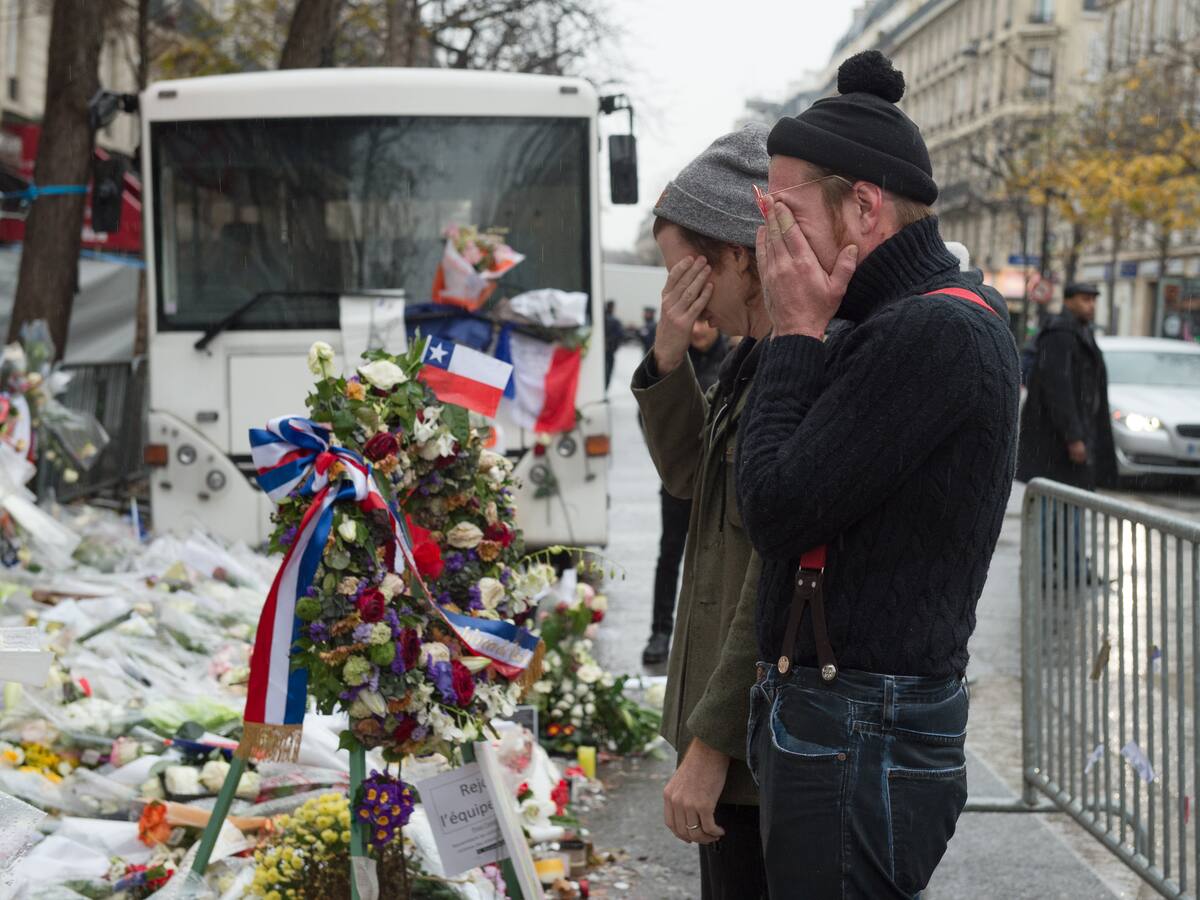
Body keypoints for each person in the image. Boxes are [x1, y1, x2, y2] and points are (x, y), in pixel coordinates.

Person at [735, 51, 1020, 898]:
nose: (770, 238)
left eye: (784, 213)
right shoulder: (890, 320)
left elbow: (774, 508)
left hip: (861, 724)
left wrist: (793, 334)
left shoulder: (931, 332)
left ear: (863, 207)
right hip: (846, 715)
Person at [631, 123, 772, 900]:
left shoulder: (793, 359)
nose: (680, 296)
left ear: (736, 257)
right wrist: (668, 356)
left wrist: (712, 741)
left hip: (748, 740)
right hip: (727, 729)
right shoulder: (753, 354)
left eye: (685, 274)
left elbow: (770, 571)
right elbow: (690, 474)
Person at [642, 319, 728, 666]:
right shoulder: (676, 359)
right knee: (669, 555)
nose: (698, 331)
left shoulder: (734, 359)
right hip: (678, 482)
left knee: (719, 559)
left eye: (707, 322)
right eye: (693, 323)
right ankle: (660, 631)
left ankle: (712, 640)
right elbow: (651, 415)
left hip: (720, 482)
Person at [1016, 282, 1117, 490]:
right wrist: (1074, 437)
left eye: (1093, 300)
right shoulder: (1059, 334)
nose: (1091, 305)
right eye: (1085, 300)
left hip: (1072, 438)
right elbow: (1058, 389)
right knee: (1058, 498)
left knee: (1069, 499)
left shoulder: (1082, 332)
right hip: (1055, 444)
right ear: (1068, 301)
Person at [604, 299, 625, 389]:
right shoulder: (615, 321)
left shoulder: (602, 319)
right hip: (610, 350)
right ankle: (605, 388)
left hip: (604, 350)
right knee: (608, 371)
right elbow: (620, 335)